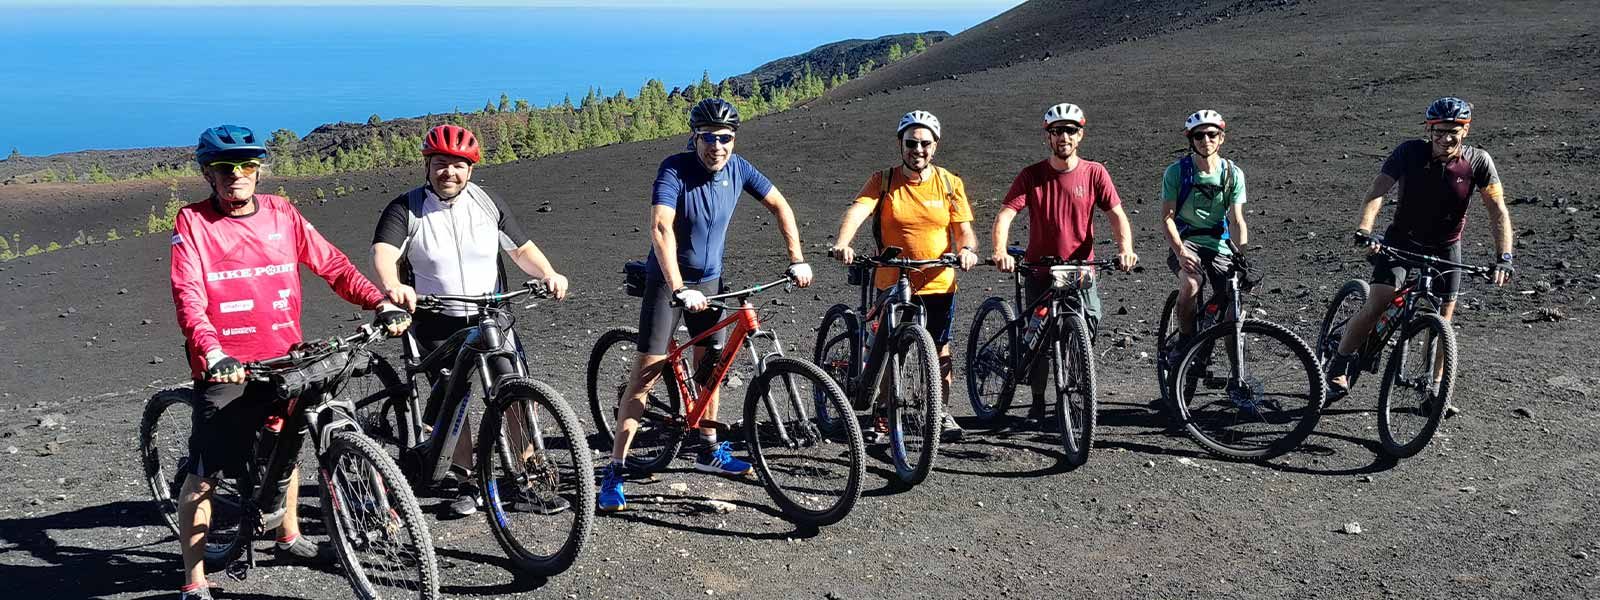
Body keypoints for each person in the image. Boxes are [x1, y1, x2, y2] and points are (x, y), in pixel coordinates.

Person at [170, 125, 410, 600]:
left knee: (289, 436)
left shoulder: (281, 213)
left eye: (246, 166)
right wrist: (212, 351)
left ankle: (289, 536)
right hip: (227, 364)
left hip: (286, 356)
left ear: (258, 171)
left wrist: (378, 302)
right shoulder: (192, 222)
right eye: (224, 168)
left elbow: (332, 264)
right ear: (208, 174)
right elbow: (188, 294)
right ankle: (194, 580)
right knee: (206, 472)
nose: (236, 175)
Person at [598, 98, 813, 512]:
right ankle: (615, 469)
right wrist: (679, 288)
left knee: (709, 368)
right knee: (646, 374)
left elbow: (780, 205)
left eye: (726, 138)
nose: (718, 146)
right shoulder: (674, 169)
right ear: (694, 137)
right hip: (668, 282)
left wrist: (797, 258)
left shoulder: (739, 168)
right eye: (709, 137)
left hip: (711, 281)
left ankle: (708, 448)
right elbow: (661, 227)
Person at [370, 124, 571, 517]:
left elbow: (522, 249)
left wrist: (548, 273)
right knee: (452, 400)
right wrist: (393, 285)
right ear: (427, 165)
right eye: (441, 163)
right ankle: (464, 478)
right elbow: (384, 251)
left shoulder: (486, 202)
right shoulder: (406, 208)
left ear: (471, 170)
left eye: (458, 165)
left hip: (491, 315)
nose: (450, 172)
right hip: (435, 319)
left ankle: (526, 477)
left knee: (513, 391)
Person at [1325, 97, 1514, 408]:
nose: (1445, 138)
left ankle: (1434, 388)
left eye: (1454, 131)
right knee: (1378, 303)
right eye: (1439, 132)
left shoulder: (1477, 162)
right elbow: (1378, 192)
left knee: (1444, 322)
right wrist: (1365, 229)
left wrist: (1504, 257)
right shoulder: (1409, 152)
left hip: (1446, 247)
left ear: (1465, 131)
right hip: (1401, 241)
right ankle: (1339, 365)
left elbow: (1497, 210)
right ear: (1430, 130)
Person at [827, 109, 979, 443]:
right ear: (901, 144)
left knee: (939, 348)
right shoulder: (882, 181)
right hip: (891, 281)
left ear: (935, 146)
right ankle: (882, 412)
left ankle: (939, 411)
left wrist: (967, 250)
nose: (918, 149)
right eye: (911, 142)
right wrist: (843, 242)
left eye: (925, 143)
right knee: (887, 347)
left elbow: (964, 230)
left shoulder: (950, 184)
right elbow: (858, 210)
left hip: (938, 281)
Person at [990, 103, 1138, 430]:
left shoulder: (1094, 172)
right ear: (1049, 137)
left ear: (1080, 135)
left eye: (1070, 130)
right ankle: (1040, 403)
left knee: (1090, 320)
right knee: (1039, 341)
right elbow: (1006, 214)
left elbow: (1116, 215)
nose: (1064, 136)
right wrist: (1000, 250)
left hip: (1080, 271)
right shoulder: (1032, 175)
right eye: (1057, 131)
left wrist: (1125, 248)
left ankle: (1073, 381)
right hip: (1040, 271)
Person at [1160, 109, 1249, 360]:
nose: (1206, 140)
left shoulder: (1233, 174)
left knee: (1233, 304)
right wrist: (1180, 252)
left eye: (1212, 134)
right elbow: (1167, 218)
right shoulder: (1176, 173)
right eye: (1199, 136)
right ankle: (1185, 343)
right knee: (1190, 284)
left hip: (1220, 244)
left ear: (1221, 138)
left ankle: (1237, 375)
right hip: (1186, 241)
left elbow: (1237, 219)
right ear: (1191, 140)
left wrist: (1241, 257)